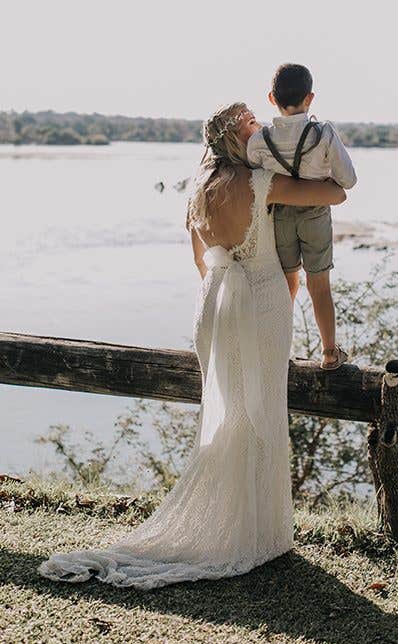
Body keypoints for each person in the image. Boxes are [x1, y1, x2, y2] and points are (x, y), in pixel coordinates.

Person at [37, 103, 347, 590]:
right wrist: (318, 148)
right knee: (262, 411)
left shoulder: (196, 191)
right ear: (232, 139)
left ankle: (240, 525)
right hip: (262, 304)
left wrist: (227, 294)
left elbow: (201, 263)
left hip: (216, 304)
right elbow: (335, 193)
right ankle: (260, 534)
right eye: (250, 125)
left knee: (229, 413)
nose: (259, 129)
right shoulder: (261, 183)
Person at [247, 63, 358, 369]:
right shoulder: (323, 134)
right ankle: (329, 353)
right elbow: (348, 180)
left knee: (286, 284)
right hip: (315, 215)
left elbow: (255, 178)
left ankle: (278, 351)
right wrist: (320, 184)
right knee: (319, 284)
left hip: (279, 216)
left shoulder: (258, 141)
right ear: (310, 98)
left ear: (272, 98)